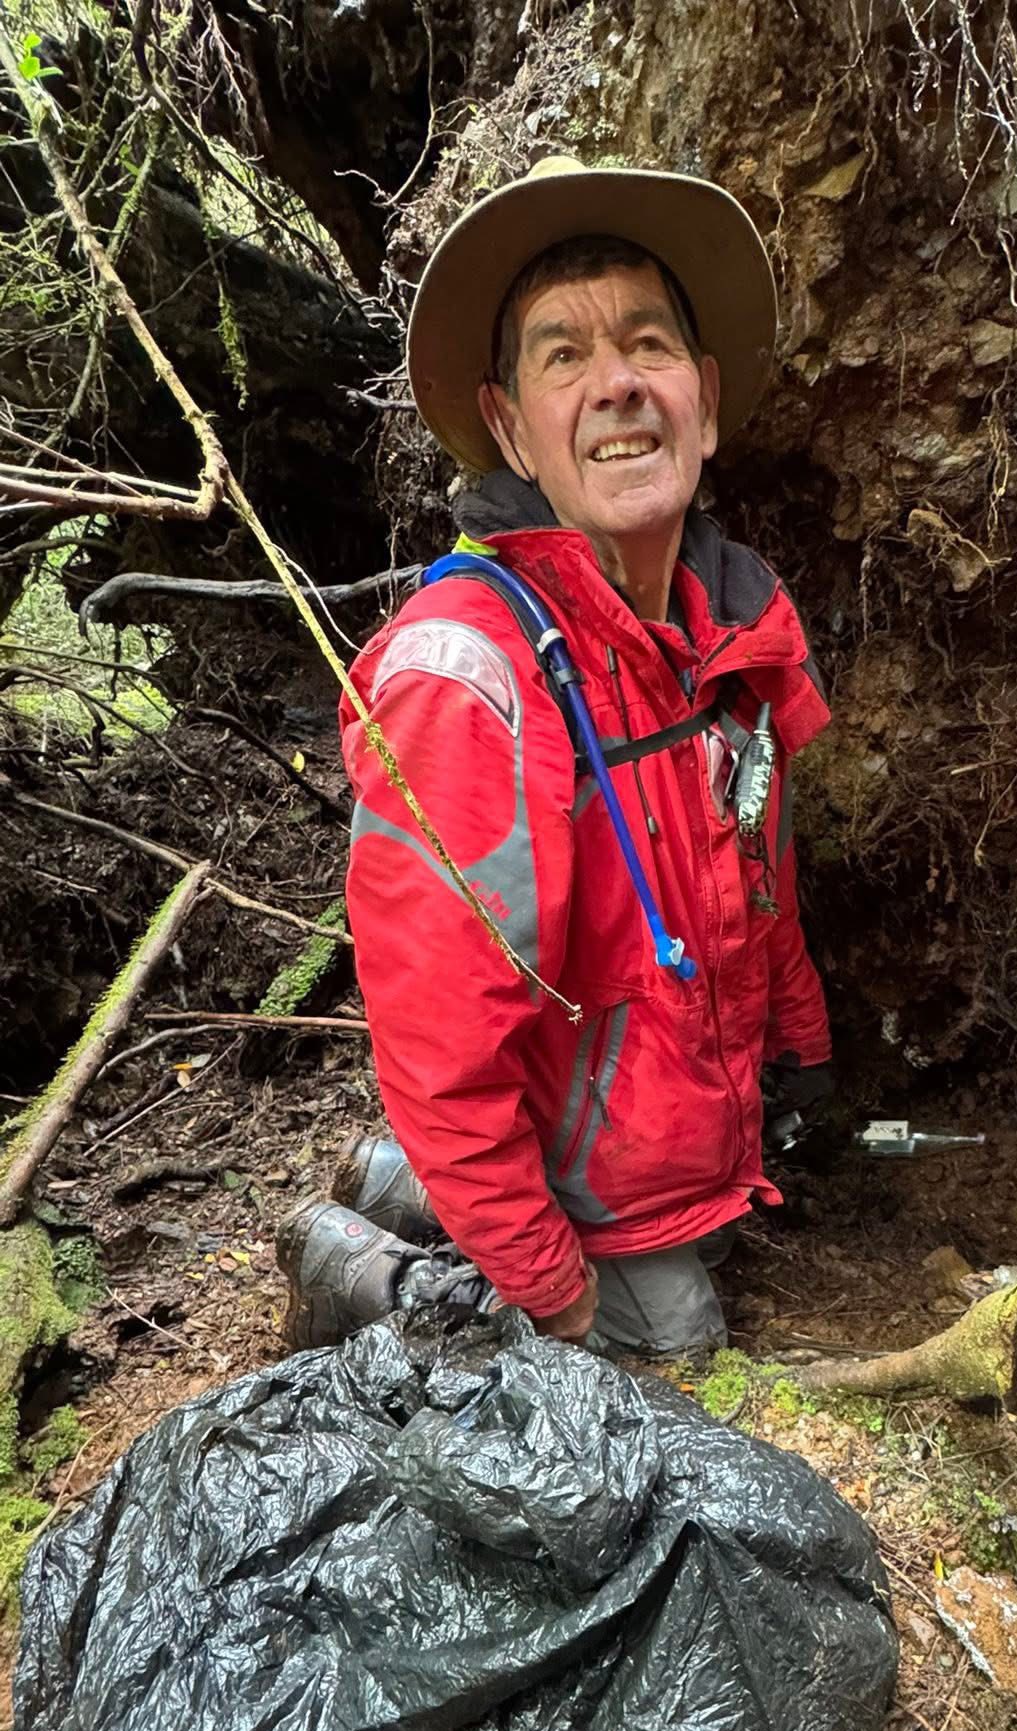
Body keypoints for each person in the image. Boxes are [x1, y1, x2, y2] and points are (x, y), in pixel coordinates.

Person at [277, 156, 833, 1358]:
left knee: (711, 1257)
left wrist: (805, 1053)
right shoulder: (465, 675)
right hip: (592, 1165)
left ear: (709, 398)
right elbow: (441, 1042)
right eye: (563, 355)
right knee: (681, 1355)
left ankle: (405, 1188)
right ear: (508, 427)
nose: (619, 383)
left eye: (648, 344)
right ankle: (387, 1272)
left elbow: (760, 881)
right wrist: (550, 1289)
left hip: (676, 1129)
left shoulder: (732, 629)